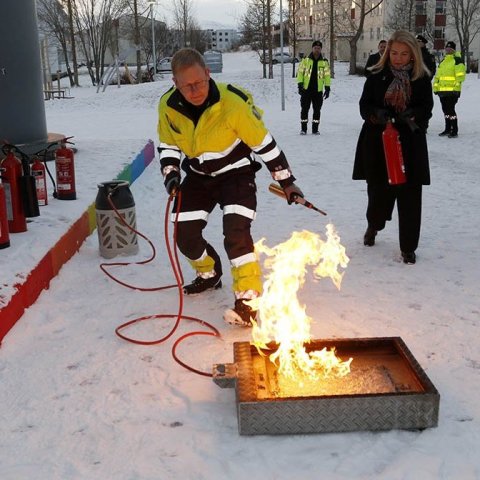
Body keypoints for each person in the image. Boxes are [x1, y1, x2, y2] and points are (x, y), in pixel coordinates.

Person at [157, 48, 303, 326]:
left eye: (199, 82)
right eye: (186, 85)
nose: (195, 90)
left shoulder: (232, 104)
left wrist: (287, 182)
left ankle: (248, 301)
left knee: (236, 233)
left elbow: (265, 145)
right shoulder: (168, 107)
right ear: (175, 84)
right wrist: (171, 173)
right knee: (184, 233)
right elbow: (168, 144)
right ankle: (209, 274)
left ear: (208, 74)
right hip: (199, 176)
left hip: (236, 175)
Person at [353, 31, 434, 265]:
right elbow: (364, 106)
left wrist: (414, 114)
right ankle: (374, 225)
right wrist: (376, 114)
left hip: (409, 144)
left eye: (404, 54)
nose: (398, 58)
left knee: (410, 197)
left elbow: (426, 108)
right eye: (394, 53)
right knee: (378, 193)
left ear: (413, 55)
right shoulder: (376, 75)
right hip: (378, 142)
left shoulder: (421, 78)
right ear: (388, 53)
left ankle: (408, 247)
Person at [296, 40, 331, 135]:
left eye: (319, 48)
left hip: (318, 91)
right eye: (315, 48)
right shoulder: (305, 61)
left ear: (321, 49)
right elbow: (300, 73)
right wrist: (300, 85)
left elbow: (327, 76)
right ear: (312, 48)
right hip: (306, 90)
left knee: (317, 110)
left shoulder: (324, 62)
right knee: (304, 110)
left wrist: (327, 88)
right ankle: (303, 129)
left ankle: (315, 130)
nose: (317, 50)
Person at [433, 41, 466, 138]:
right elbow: (438, 76)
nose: (448, 50)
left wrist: (456, 89)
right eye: (447, 49)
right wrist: (435, 88)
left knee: (451, 111)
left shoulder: (457, 60)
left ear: (454, 50)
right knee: (445, 111)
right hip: (442, 91)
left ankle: (454, 130)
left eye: (450, 49)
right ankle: (447, 128)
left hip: (452, 92)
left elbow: (460, 77)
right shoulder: (443, 61)